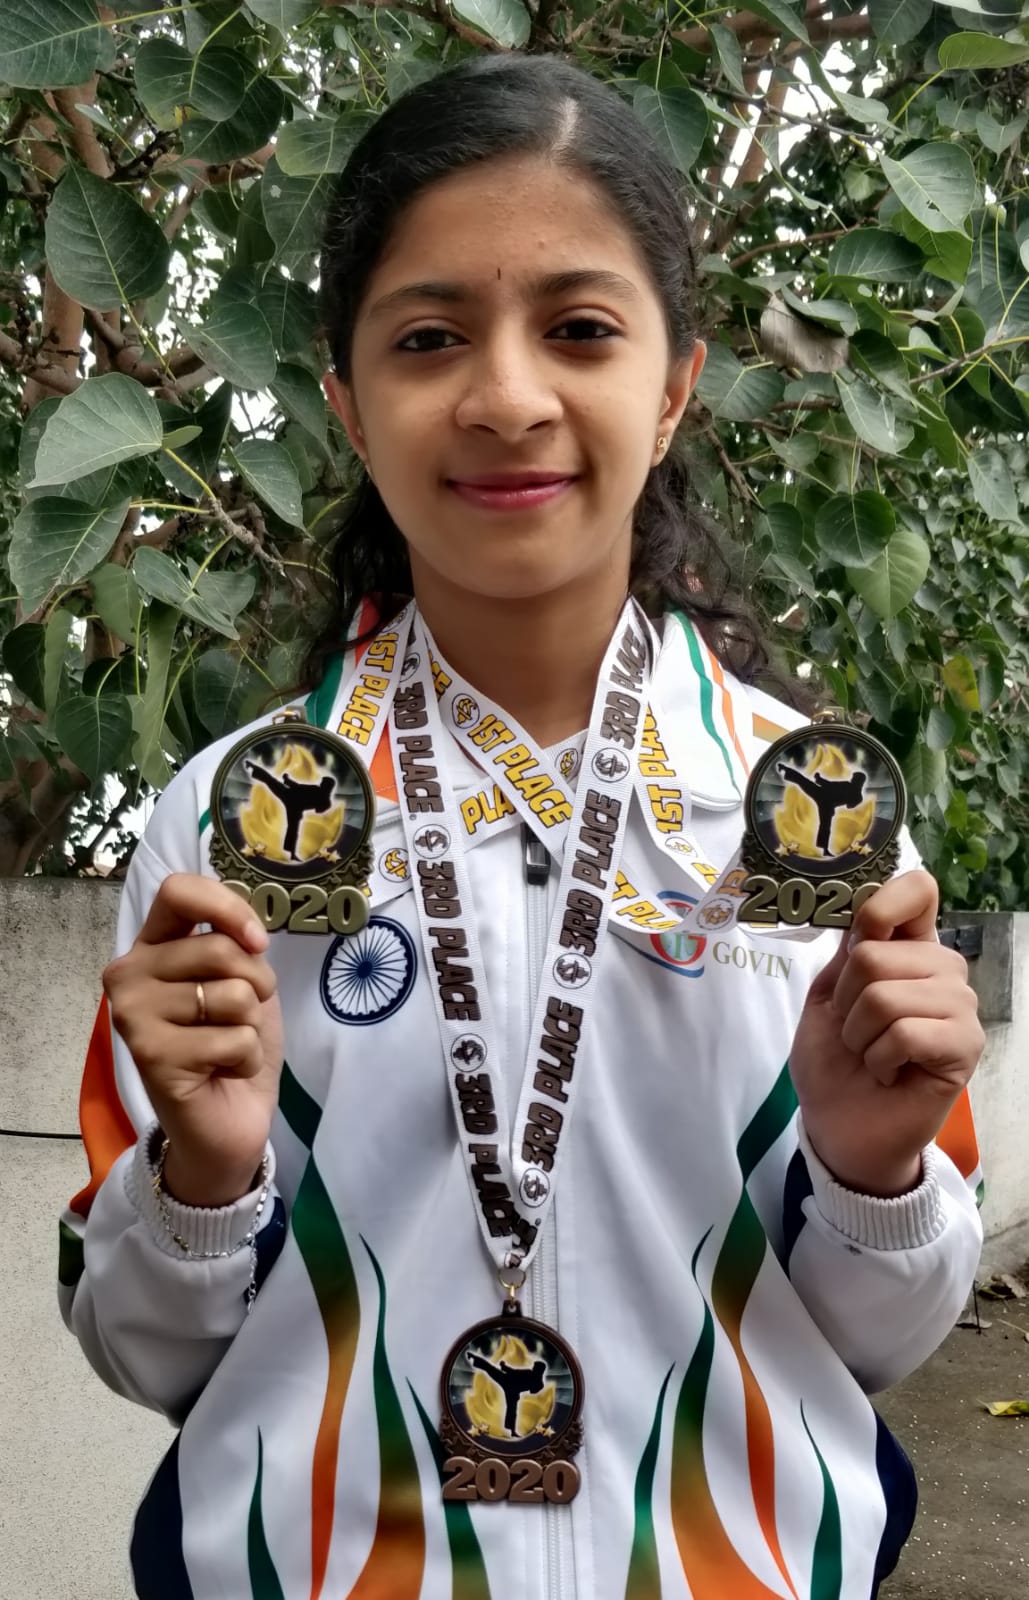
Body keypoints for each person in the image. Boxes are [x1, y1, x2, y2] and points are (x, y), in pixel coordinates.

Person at [59, 53, 985, 1600]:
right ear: (348, 405)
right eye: (429, 338)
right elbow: (151, 1356)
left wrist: (870, 1172)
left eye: (579, 329)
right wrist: (203, 1183)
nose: (504, 397)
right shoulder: (238, 824)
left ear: (673, 386)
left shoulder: (809, 812)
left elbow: (877, 1344)